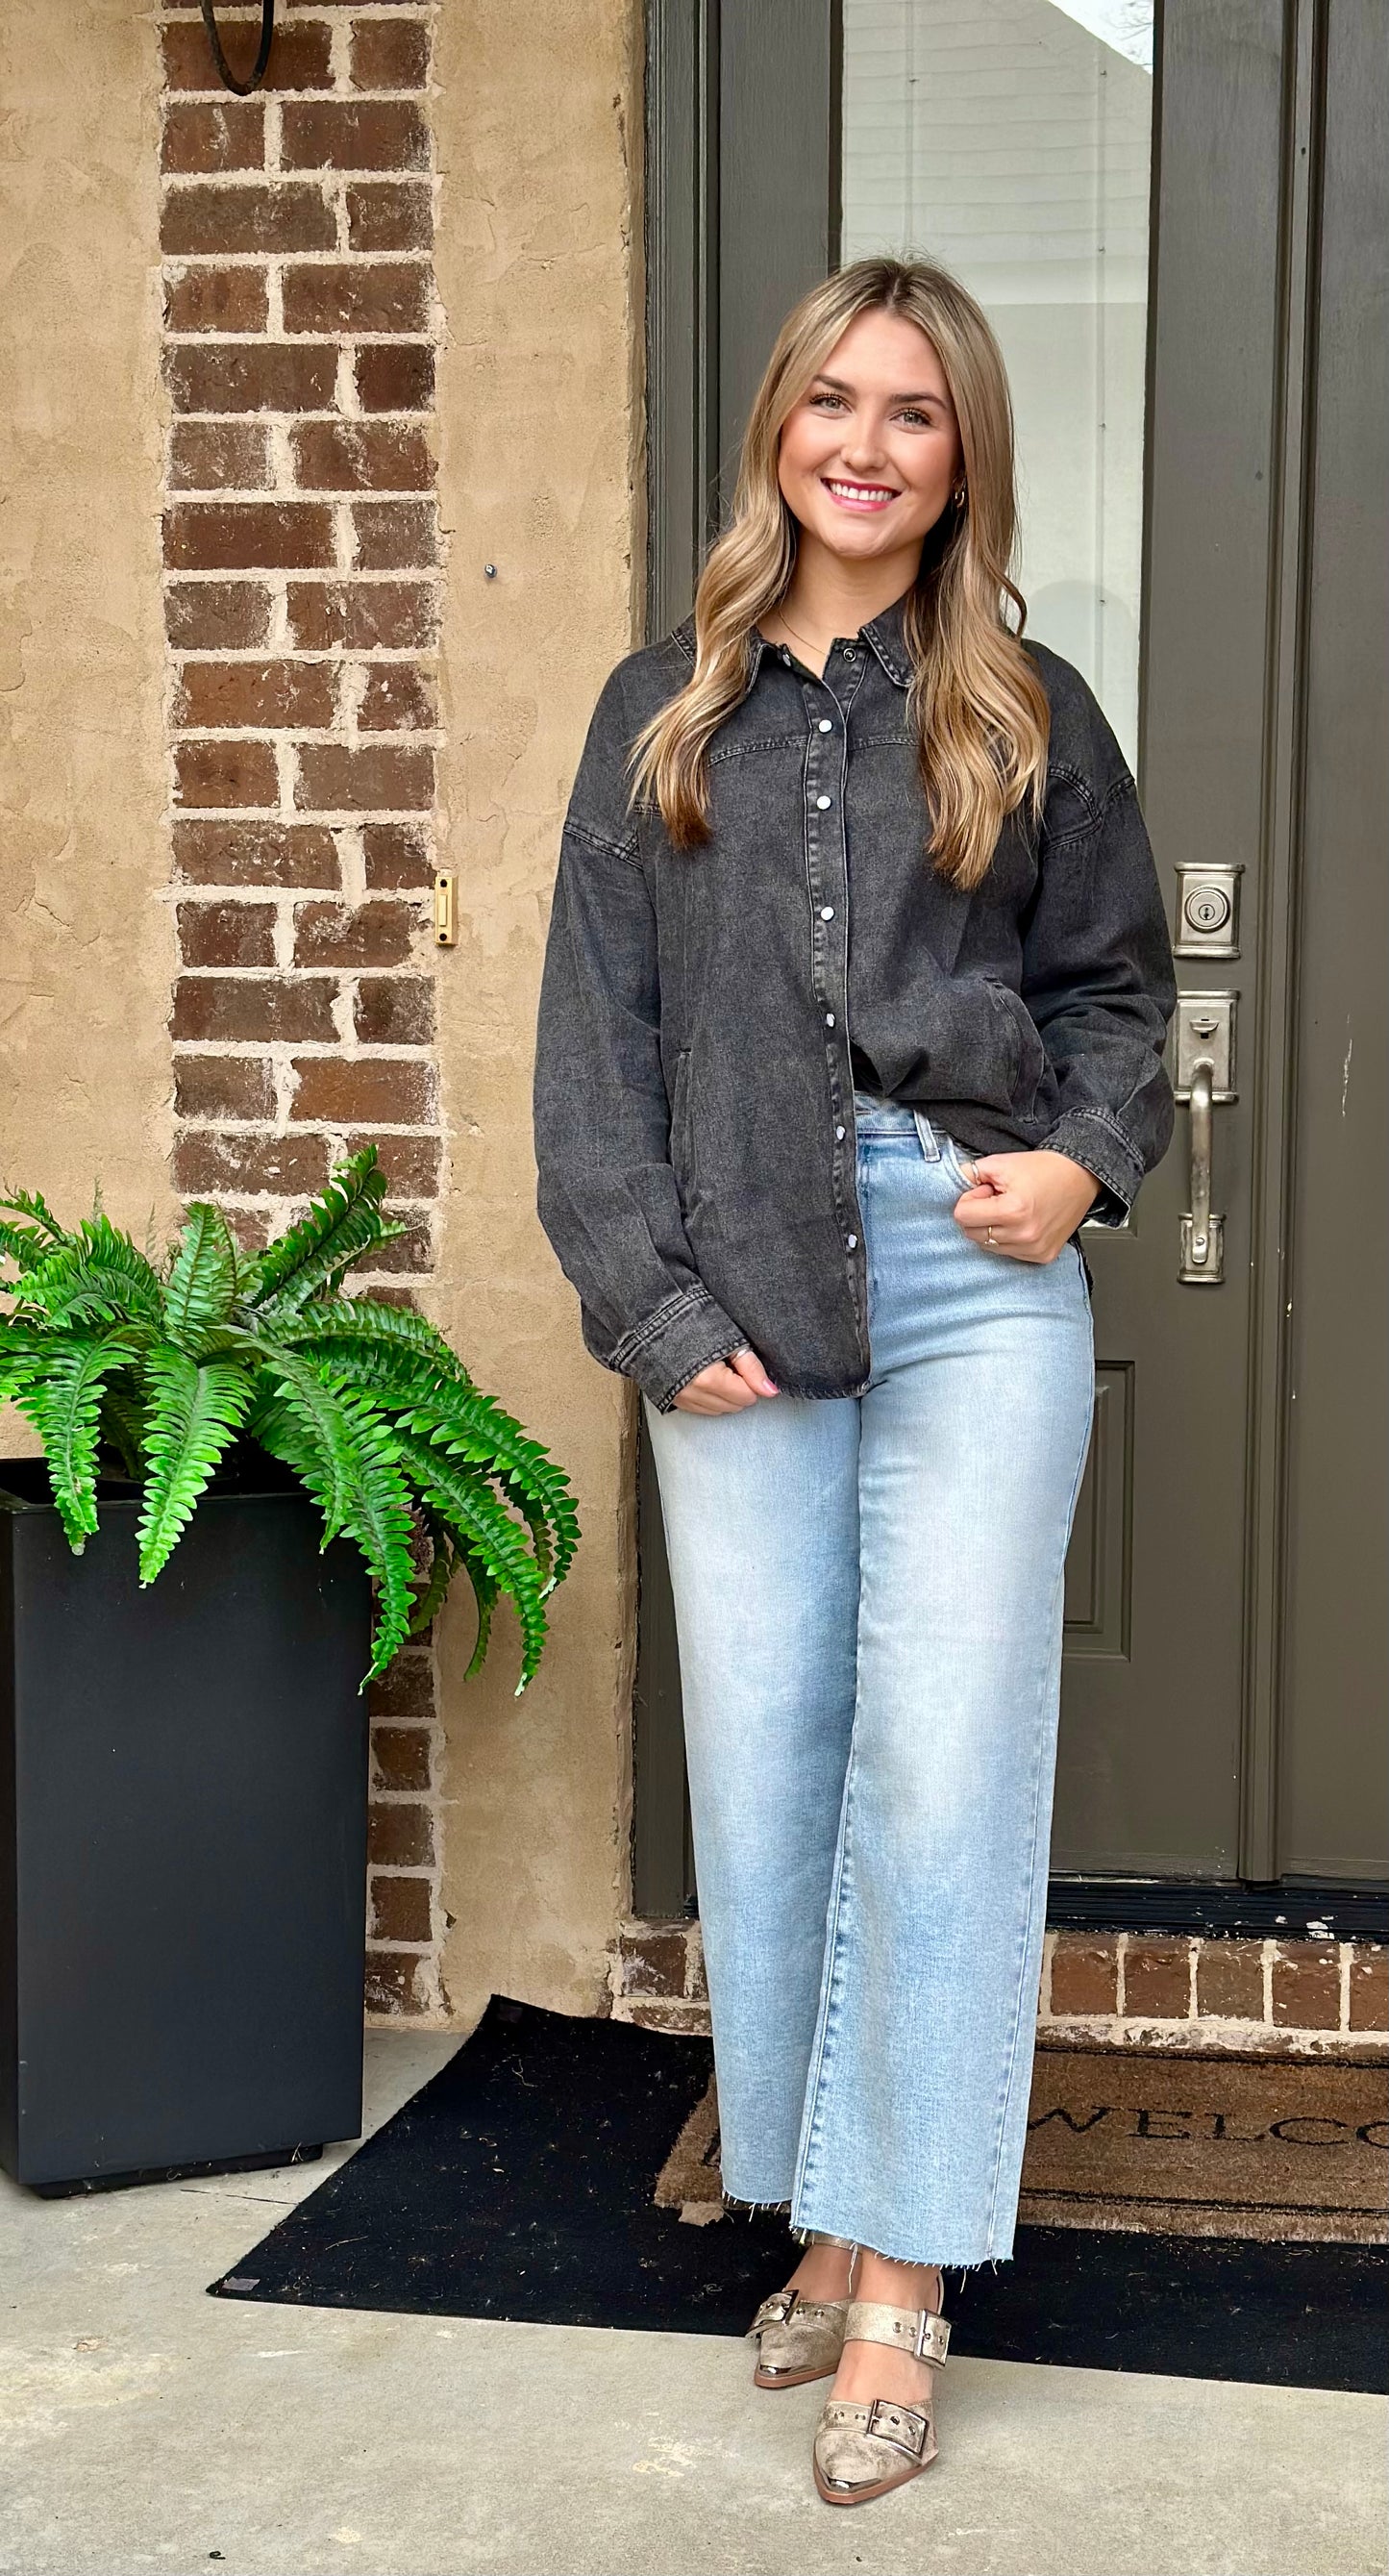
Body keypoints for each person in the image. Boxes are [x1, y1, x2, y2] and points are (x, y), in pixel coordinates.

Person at [532, 256, 1177, 2509]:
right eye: (835, 402)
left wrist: (1080, 1163)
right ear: (777, 434)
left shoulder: (1025, 707)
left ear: (961, 451)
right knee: (780, 1760)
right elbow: (591, 1055)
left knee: (944, 1758)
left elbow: (1118, 997)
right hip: (736, 1285)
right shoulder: (666, 710)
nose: (869, 444)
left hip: (971, 1266)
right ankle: (819, 2199)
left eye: (915, 411)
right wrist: (643, 1293)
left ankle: (899, 2269)